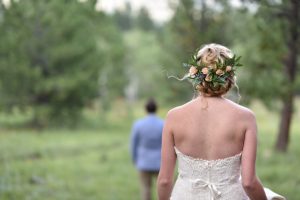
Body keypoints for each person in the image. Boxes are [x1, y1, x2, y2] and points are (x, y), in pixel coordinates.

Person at [157, 44, 268, 200]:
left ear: (195, 74)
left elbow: (164, 181)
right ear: (229, 76)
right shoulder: (245, 117)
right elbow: (249, 182)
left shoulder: (173, 117)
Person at [130, 98, 164, 200]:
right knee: (161, 190)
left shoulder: (138, 124)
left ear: (145, 109)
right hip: (160, 162)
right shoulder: (163, 124)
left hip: (143, 161)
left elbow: (133, 144)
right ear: (157, 109)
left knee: (145, 189)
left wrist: (135, 159)